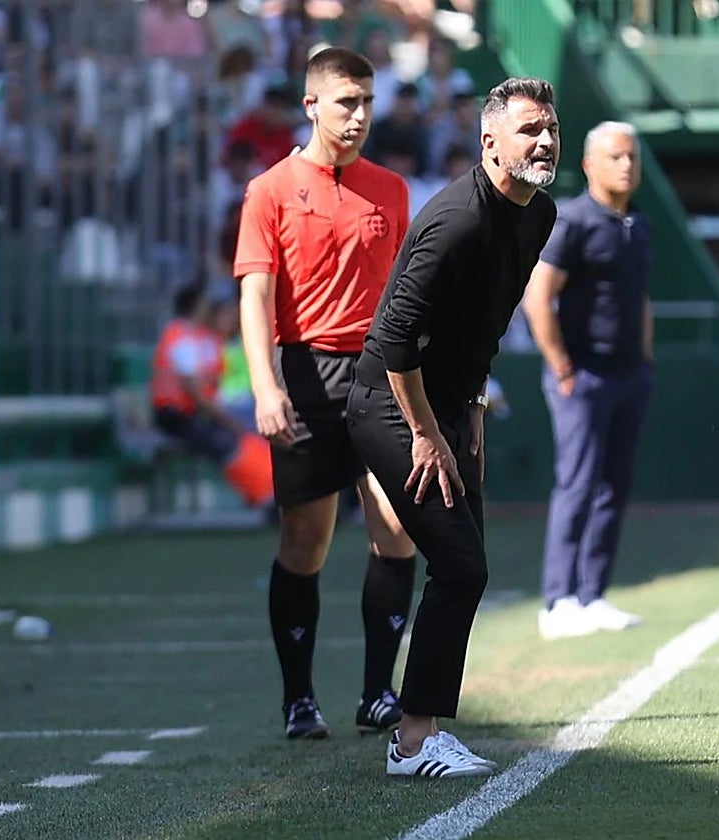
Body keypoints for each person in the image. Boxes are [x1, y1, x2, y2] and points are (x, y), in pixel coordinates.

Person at [346, 76, 560, 778]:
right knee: (463, 564)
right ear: (489, 141)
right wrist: (425, 432)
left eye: (551, 128)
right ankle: (412, 741)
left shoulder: (538, 214)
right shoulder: (456, 220)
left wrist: (471, 409)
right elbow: (395, 341)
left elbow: (483, 325)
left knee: (462, 565)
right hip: (391, 402)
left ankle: (422, 730)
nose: (546, 141)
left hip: (446, 404)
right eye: (529, 130)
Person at [234, 46, 418, 740]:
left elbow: (408, 296)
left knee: (397, 530)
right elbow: (256, 296)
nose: (360, 115)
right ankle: (299, 700)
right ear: (311, 105)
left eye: (367, 101)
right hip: (306, 375)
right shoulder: (269, 191)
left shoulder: (392, 189)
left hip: (379, 375)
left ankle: (378, 695)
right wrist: (265, 386)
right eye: (347, 102)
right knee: (306, 541)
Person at [522, 121, 653, 641]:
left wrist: (645, 362)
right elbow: (538, 298)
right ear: (589, 164)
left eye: (632, 157)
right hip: (583, 376)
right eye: (616, 157)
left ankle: (591, 594)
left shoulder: (637, 223)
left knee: (614, 486)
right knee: (576, 485)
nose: (627, 165)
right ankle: (557, 602)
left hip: (629, 376)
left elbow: (641, 299)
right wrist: (561, 366)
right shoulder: (572, 221)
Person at [151, 283, 273, 509]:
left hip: (197, 413)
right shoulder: (181, 339)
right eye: (206, 303)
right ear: (195, 307)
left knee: (251, 434)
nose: (211, 307)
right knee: (229, 442)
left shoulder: (199, 336)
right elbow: (198, 395)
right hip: (179, 416)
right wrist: (231, 422)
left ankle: (269, 491)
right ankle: (265, 495)